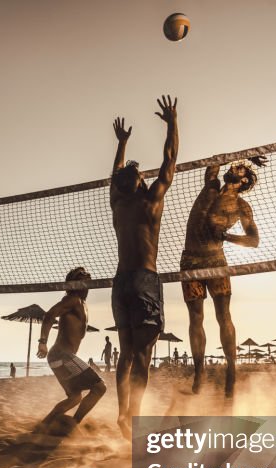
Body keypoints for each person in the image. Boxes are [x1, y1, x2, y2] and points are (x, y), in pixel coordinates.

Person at [110, 95, 178, 438]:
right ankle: (134, 417)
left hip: (119, 282)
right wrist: (172, 122)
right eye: (140, 174)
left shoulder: (117, 202)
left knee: (126, 353)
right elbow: (170, 159)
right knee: (144, 355)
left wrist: (121, 144)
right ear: (138, 182)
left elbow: (116, 175)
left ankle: (123, 414)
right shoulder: (152, 200)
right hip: (143, 280)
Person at [181, 158, 265, 395]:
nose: (232, 167)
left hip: (216, 261)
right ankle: (199, 373)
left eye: (239, 169)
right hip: (190, 261)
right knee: (195, 318)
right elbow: (215, 162)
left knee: (223, 315)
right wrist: (247, 154)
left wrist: (227, 237)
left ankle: (231, 373)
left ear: (244, 181)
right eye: (233, 165)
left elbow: (254, 240)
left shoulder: (241, 207)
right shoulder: (211, 186)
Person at [36, 267, 107, 428]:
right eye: (83, 280)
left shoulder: (83, 304)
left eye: (88, 280)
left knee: (75, 397)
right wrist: (42, 342)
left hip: (59, 357)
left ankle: (44, 424)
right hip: (61, 355)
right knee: (99, 387)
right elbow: (49, 315)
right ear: (75, 284)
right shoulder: (72, 300)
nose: (87, 284)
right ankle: (73, 424)